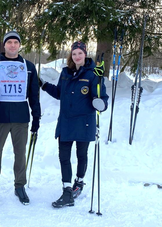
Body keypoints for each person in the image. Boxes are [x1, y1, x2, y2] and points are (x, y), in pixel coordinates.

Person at [39, 41, 109, 208]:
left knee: (81, 154)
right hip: (66, 121)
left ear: (85, 54)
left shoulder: (93, 74)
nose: (77, 56)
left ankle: (79, 181)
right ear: (71, 55)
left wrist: (100, 103)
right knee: (63, 156)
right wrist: (43, 84)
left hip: (84, 121)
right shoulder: (65, 72)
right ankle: (67, 190)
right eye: (75, 53)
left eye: (80, 53)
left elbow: (101, 99)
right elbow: (58, 93)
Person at [0, 31, 41, 206]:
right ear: (4, 45)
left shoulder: (28, 66)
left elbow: (34, 94)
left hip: (21, 117)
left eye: (16, 42)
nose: (12, 45)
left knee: (20, 154)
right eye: (9, 42)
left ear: (19, 45)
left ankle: (19, 186)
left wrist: (36, 116)